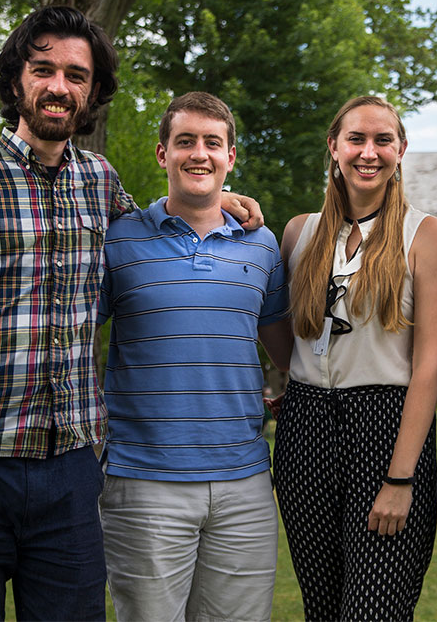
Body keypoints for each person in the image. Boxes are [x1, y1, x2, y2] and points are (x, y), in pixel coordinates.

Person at [0, 7, 260, 621]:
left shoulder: (99, 181)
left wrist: (223, 199)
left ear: (91, 93)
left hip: (72, 474)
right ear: (17, 84)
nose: (60, 86)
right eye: (44, 69)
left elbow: (158, 239)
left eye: (77, 75)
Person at [97, 92, 292, 621]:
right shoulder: (118, 240)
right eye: (185, 142)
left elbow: (287, 351)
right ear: (163, 154)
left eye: (212, 143)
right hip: (143, 483)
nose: (198, 154)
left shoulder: (263, 246)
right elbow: (67, 334)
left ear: (231, 157)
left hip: (245, 484)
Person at [272, 96, 437, 620]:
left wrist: (400, 480)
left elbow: (429, 367)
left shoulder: (427, 235)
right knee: (323, 607)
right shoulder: (299, 233)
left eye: (383, 140)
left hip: (387, 429)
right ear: (334, 147)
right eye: (356, 139)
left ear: (401, 150)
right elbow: (286, 335)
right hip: (306, 430)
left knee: (374, 609)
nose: (369, 152)